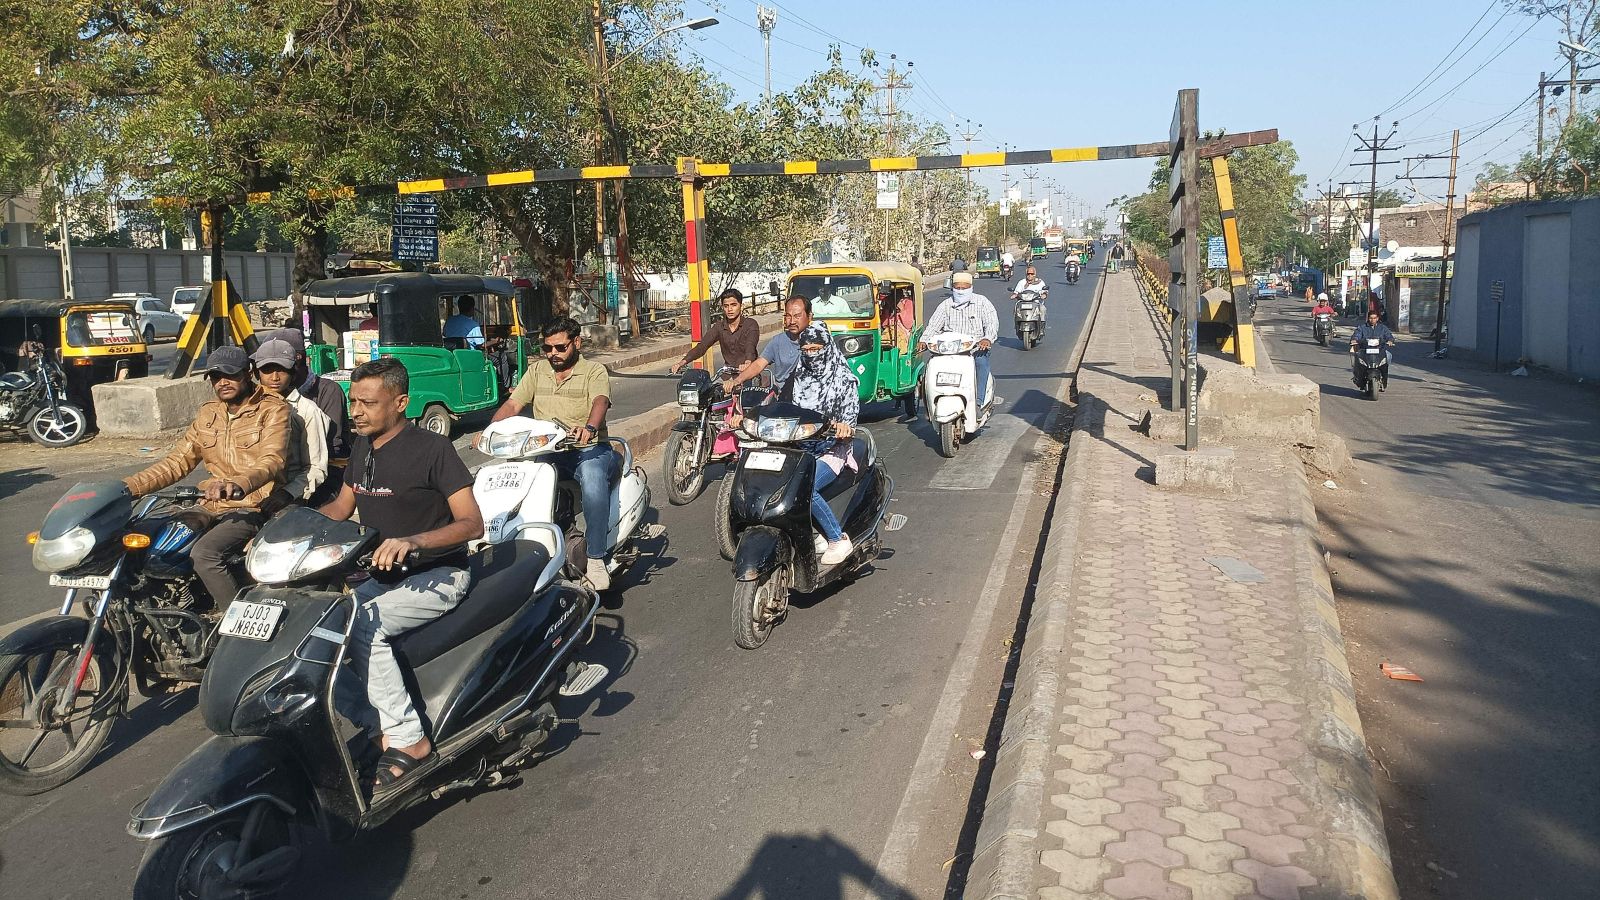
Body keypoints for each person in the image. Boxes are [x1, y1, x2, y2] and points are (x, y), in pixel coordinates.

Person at [319, 356, 483, 793]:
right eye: (353, 401)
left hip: (439, 574)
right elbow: (341, 507)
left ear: (401, 403)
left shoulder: (433, 450)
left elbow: (472, 523)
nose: (356, 411)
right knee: (315, 637)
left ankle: (411, 742)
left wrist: (414, 541)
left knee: (363, 628)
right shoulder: (361, 447)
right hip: (380, 577)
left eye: (368, 403)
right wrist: (289, 527)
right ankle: (379, 727)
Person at [124, 346, 290, 607]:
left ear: (247, 374)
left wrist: (238, 484)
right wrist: (126, 488)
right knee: (144, 537)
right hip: (210, 504)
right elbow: (177, 462)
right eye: (215, 377)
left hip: (253, 505)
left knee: (204, 554)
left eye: (230, 374)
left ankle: (234, 625)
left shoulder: (272, 410)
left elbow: (272, 460)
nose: (222, 382)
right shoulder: (208, 414)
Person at [477, 317, 619, 589]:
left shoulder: (594, 371)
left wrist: (589, 427)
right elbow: (514, 404)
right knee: (516, 482)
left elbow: (600, 401)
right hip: (547, 451)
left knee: (591, 478)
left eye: (560, 347)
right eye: (547, 348)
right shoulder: (538, 371)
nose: (553, 354)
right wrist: (489, 430)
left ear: (576, 343)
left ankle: (596, 557)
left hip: (589, 449)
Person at [784, 323, 861, 566]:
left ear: (827, 348)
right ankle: (812, 532)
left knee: (804, 487)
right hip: (799, 447)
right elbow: (782, 406)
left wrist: (843, 427)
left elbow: (850, 422)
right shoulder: (797, 377)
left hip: (832, 449)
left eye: (816, 349)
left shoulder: (844, 379)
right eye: (805, 350)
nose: (810, 355)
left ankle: (838, 538)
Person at [267, 327, 351, 498]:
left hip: (326, 470)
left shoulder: (327, 391)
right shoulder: (268, 397)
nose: (274, 375)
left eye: (281, 365)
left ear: (298, 359)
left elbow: (332, 445)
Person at [252, 339, 330, 514]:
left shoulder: (306, 411)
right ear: (257, 374)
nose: (274, 378)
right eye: (267, 370)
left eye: (281, 370)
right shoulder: (248, 408)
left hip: (288, 497)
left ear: (293, 372)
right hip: (250, 493)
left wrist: (287, 494)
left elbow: (315, 467)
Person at [922, 272, 1000, 407]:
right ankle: (931, 403)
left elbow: (992, 323)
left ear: (971, 287)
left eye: (964, 288)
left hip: (975, 349)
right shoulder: (945, 305)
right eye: (957, 288)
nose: (960, 291)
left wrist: (987, 339)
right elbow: (933, 326)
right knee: (931, 368)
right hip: (948, 352)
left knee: (981, 363)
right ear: (952, 288)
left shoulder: (982, 302)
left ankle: (979, 401)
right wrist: (924, 340)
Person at [729, 296, 813, 395]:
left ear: (810, 316)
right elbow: (759, 364)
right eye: (788, 316)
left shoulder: (820, 343)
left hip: (810, 398)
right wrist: (737, 381)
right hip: (784, 398)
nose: (792, 321)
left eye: (797, 316)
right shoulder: (778, 341)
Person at [673, 289, 760, 375]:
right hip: (727, 375)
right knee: (708, 387)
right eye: (726, 306)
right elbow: (702, 346)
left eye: (733, 305)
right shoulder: (719, 326)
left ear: (741, 306)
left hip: (749, 373)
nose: (730, 309)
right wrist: (682, 363)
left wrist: (748, 362)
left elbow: (750, 346)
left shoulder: (750, 324)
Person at [1348, 310, 1397, 387]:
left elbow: (1389, 336)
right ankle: (1358, 377)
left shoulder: (1382, 328)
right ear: (1368, 318)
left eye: (1374, 318)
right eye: (1371, 318)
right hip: (1365, 351)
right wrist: (1354, 340)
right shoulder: (1362, 327)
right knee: (1357, 358)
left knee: (1388, 356)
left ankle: (1384, 378)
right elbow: (1357, 335)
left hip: (1380, 351)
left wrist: (1390, 341)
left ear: (1377, 318)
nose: (1372, 320)